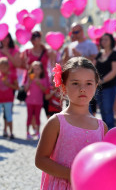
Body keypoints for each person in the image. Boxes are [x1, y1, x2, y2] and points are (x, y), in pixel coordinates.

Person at [35, 57, 108, 189]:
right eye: (75, 83)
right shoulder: (57, 122)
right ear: (63, 87)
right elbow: (40, 160)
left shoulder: (101, 127)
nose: (82, 89)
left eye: (89, 83)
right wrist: (73, 174)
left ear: (96, 86)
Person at [93, 33, 116, 129]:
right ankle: (105, 134)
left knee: (108, 111)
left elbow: (114, 71)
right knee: (103, 111)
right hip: (99, 87)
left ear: (111, 41)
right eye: (102, 39)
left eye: (106, 39)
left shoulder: (114, 54)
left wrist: (102, 80)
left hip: (109, 87)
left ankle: (111, 135)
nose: (103, 41)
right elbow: (93, 67)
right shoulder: (99, 54)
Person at [24, 61, 48, 140]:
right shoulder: (29, 78)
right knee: (29, 117)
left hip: (39, 101)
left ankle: (37, 132)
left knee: (37, 117)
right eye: (34, 69)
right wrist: (30, 81)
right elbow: (25, 89)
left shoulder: (43, 79)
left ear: (41, 70)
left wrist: (40, 85)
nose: (35, 71)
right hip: (29, 101)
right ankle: (27, 132)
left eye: (38, 69)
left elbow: (45, 90)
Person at [0, 58, 19, 139]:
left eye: (5, 67)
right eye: (1, 67)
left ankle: (11, 132)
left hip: (8, 99)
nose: (3, 69)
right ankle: (4, 131)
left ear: (8, 67)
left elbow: (17, 87)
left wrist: (8, 84)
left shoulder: (12, 75)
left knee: (9, 116)